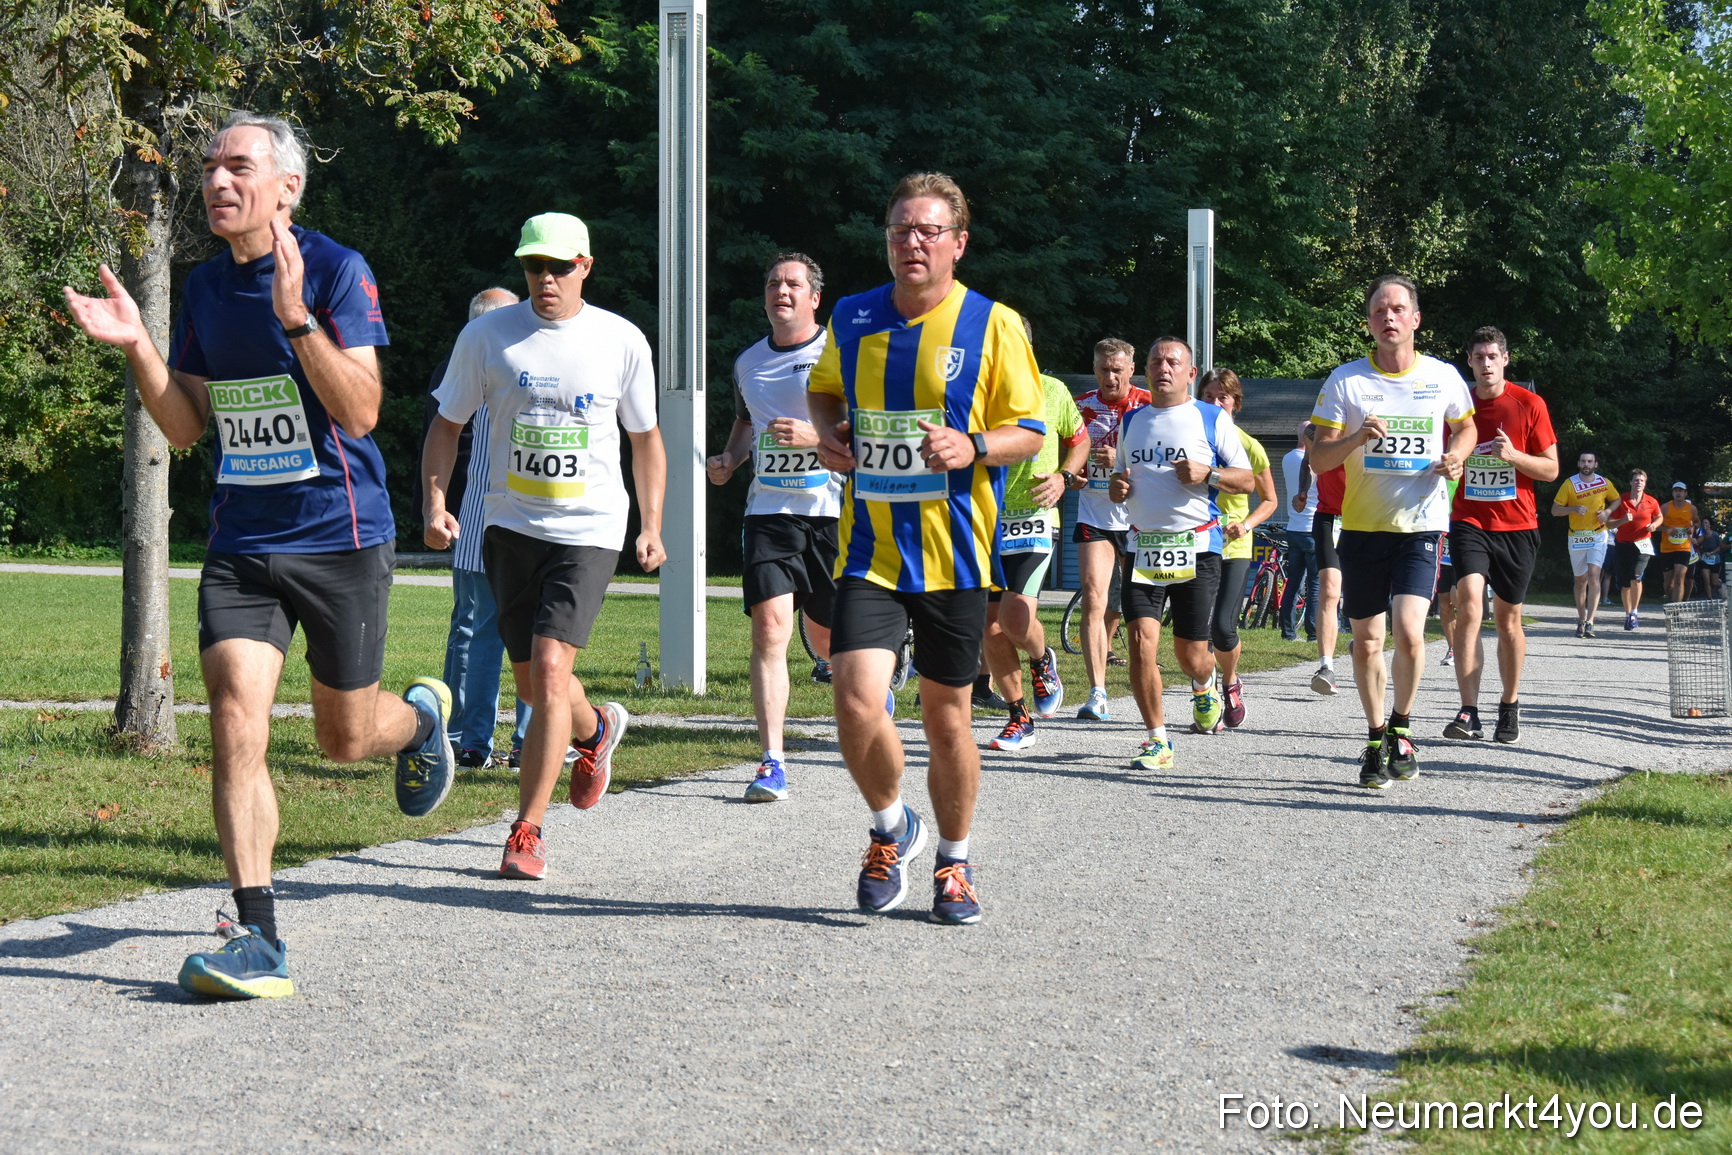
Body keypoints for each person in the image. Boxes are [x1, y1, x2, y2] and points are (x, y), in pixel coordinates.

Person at [61, 112, 456, 999]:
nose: (216, 182)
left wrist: (298, 320)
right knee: (236, 716)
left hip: (340, 536)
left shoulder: (338, 270)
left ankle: (421, 722)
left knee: (344, 736)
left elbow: (360, 413)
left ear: (288, 187)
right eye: (209, 168)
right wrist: (138, 349)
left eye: (238, 166)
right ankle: (257, 930)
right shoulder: (201, 288)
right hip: (243, 541)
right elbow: (188, 425)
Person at [807, 172, 1045, 925]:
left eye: (928, 230)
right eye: (901, 229)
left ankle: (954, 858)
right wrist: (832, 433)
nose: (913, 241)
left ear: (957, 243)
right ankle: (890, 828)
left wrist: (971, 444)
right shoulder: (851, 316)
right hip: (870, 549)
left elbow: (1031, 431)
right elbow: (823, 389)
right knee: (854, 700)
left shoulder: (993, 323)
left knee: (948, 722)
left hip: (957, 555)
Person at [423, 212, 667, 881]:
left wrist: (650, 524)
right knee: (533, 679)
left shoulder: (620, 340)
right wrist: (435, 502)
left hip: (589, 528)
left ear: (586, 265)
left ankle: (526, 828)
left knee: (551, 672)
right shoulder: (488, 336)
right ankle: (595, 731)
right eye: (535, 266)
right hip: (509, 526)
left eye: (560, 266)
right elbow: (446, 424)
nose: (546, 279)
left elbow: (646, 439)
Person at [1309, 273, 1476, 790]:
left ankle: (1403, 726)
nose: (1389, 317)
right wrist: (1358, 436)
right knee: (1365, 642)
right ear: (1369, 322)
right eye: (1380, 310)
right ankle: (1376, 733)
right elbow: (1317, 459)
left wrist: (1458, 456)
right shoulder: (1346, 381)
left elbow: (1467, 426)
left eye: (1398, 309)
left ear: (1415, 319)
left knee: (1407, 631)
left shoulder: (1444, 376)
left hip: (1421, 525)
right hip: (1361, 528)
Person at [705, 252, 840, 801]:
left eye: (792, 284)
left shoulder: (840, 354)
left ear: (814, 298)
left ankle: (866, 675)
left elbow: (869, 425)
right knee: (770, 630)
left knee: (832, 635)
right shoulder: (747, 363)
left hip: (834, 511)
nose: (780, 291)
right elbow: (745, 421)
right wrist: (731, 459)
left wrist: (818, 440)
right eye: (772, 283)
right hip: (770, 514)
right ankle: (771, 760)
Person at [1106, 339, 1254, 769]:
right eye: (1155, 361)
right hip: (1143, 545)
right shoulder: (1131, 419)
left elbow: (1247, 481)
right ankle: (1157, 739)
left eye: (1173, 362)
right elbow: (1121, 479)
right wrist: (1118, 487)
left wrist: (1209, 473)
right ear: (1145, 371)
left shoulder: (1211, 417)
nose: (1163, 368)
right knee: (1139, 642)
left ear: (1191, 373)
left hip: (1197, 546)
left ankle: (1205, 682)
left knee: (1190, 654)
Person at [431, 287, 533, 769]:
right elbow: (442, 438)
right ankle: (471, 741)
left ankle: (527, 740)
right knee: (480, 629)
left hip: (540, 519)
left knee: (534, 633)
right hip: (481, 516)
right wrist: (435, 507)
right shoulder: (476, 364)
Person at [1441, 326, 1558, 744]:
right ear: (1469, 362)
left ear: (1505, 359)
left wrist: (1514, 456)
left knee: (1509, 621)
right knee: (1468, 604)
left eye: (1493, 356)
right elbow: (1444, 454)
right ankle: (1468, 710)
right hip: (1470, 521)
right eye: (1478, 357)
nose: (1486, 364)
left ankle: (1509, 706)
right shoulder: (1458, 407)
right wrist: (1452, 465)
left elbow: (1550, 469)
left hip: (1518, 526)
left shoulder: (1529, 404)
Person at [983, 320, 1088, 751]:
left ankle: (1042, 660)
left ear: (1029, 344)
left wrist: (1065, 476)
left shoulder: (1053, 390)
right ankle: (1018, 717)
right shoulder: (976, 391)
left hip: (1034, 516)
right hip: (983, 517)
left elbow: (1078, 440)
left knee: (1013, 617)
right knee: (988, 628)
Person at [1071, 338, 1151, 720]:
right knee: (1093, 597)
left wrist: (1120, 457)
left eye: (1117, 370)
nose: (1110, 377)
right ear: (1095, 368)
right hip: (1096, 515)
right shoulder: (1081, 405)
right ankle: (1097, 692)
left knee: (1140, 609)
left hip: (1140, 518)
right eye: (1103, 369)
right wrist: (1073, 476)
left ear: (1130, 370)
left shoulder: (1150, 405)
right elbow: (1065, 455)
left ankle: (1148, 682)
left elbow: (1166, 460)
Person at [1196, 368, 1278, 729]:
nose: (1215, 403)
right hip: (1196, 543)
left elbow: (1271, 500)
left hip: (1234, 546)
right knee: (1195, 628)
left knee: (1223, 629)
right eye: (1209, 396)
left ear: (1235, 404)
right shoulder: (1189, 439)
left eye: (1222, 397)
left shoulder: (1249, 446)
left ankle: (1229, 682)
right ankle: (1205, 694)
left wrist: (1245, 524)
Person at [1550, 451, 1619, 637]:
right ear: (1578, 463)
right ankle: (1581, 619)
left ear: (1596, 464)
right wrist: (1573, 509)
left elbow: (1617, 499)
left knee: (1594, 576)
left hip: (1598, 535)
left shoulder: (1604, 482)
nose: (1586, 464)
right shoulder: (1569, 484)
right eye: (1583, 461)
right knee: (1580, 581)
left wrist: (1608, 512)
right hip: (1576, 537)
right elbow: (1555, 510)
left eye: (1590, 461)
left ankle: (1591, 621)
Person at [1304, 434, 1348, 694]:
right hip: (1330, 517)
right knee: (1329, 589)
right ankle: (1326, 667)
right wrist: (1302, 488)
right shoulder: (1322, 428)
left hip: (1366, 517)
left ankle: (1365, 642)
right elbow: (1309, 454)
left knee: (1361, 594)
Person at [1279, 420, 1320, 643]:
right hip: (1312, 526)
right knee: (1315, 583)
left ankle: (1288, 631)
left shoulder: (1286, 458)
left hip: (1293, 526)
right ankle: (1313, 631)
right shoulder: (1314, 460)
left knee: (1293, 582)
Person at [1607, 469, 1662, 630]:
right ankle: (1627, 613)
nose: (1639, 483)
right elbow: (1609, 523)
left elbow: (1659, 517)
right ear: (1630, 482)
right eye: (1636, 480)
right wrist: (1623, 520)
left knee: (1636, 576)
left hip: (1642, 544)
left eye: (1642, 480)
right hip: (1623, 544)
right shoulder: (1621, 500)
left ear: (1645, 483)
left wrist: (1654, 525)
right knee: (1624, 584)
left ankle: (1634, 612)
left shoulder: (1651, 501)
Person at [1658, 481, 1702, 604]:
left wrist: (1693, 528)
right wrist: (1666, 529)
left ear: (1685, 493)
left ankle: (1676, 609)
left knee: (1679, 578)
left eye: (1681, 491)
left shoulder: (1691, 509)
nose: (1678, 493)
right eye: (1676, 490)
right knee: (1668, 583)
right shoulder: (1665, 507)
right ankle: (1671, 600)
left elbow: (1698, 522)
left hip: (1684, 547)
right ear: (1672, 493)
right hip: (1667, 548)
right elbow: (1654, 525)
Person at [1693, 516, 1725, 598]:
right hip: (1704, 559)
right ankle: (1709, 598)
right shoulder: (1700, 536)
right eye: (1703, 523)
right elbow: (1697, 546)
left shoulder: (1715, 535)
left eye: (1706, 523)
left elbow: (1720, 547)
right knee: (1706, 579)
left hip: (1715, 560)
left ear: (1710, 525)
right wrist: (1699, 554)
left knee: (1714, 582)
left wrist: (1712, 553)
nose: (1704, 524)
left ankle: (1719, 583)